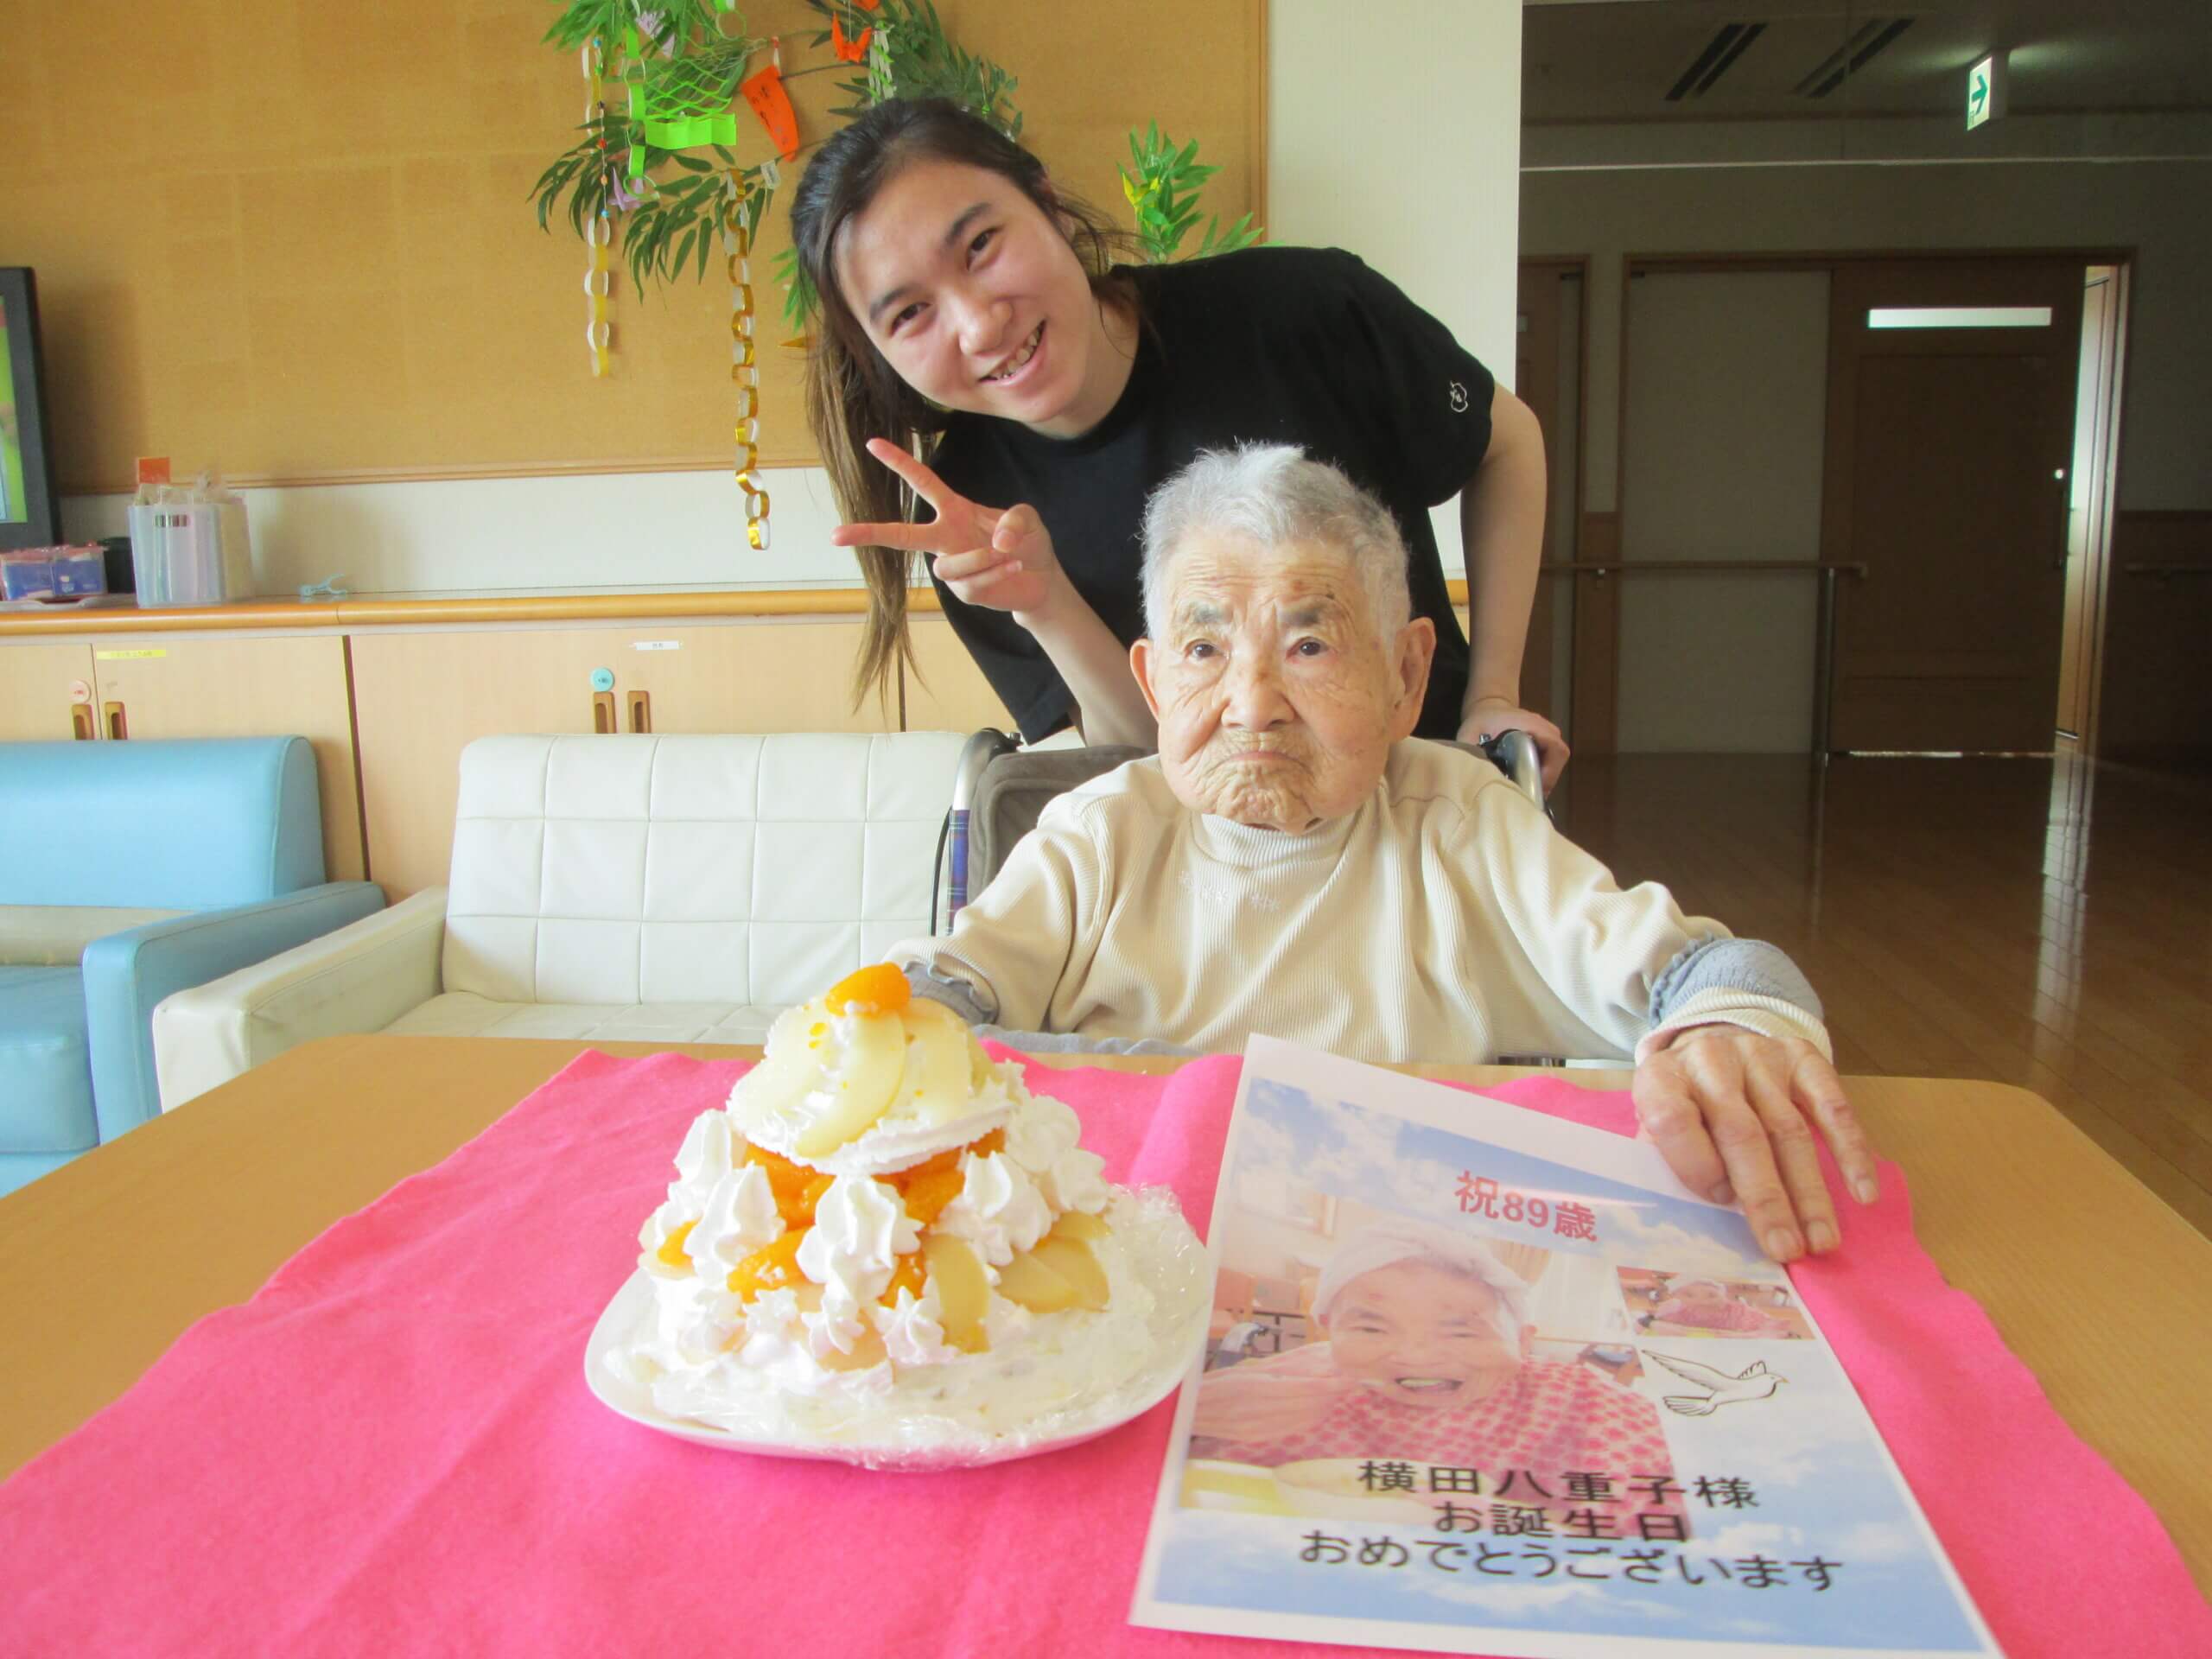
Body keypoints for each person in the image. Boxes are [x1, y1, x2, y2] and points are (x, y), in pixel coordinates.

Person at [887, 443, 1879, 1260]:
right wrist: (900, 1031)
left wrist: (1725, 1034)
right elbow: (942, 988)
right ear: (1152, 685)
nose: (1250, 704)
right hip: (1131, 1264)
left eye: (1308, 647)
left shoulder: (1460, 821)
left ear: (1408, 676)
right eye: (1204, 651)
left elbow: (1712, 973)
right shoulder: (1102, 832)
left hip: (1416, 1268)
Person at [789, 98, 1567, 785]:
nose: (979, 323)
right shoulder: (968, 514)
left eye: (982, 246)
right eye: (909, 314)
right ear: (877, 353)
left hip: (1430, 824)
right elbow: (1142, 766)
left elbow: (1509, 444)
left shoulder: (1301, 310)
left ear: (1049, 207)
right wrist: (1044, 600)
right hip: (1214, 899)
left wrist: (1492, 699)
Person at [1192, 1221, 1680, 1532]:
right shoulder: (1295, 1384)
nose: (1416, 1356)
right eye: (1371, 1326)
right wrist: (1192, 1415)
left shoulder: (1579, 1398)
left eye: (1462, 1333)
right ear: (1327, 1332)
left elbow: (1684, 1516)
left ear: (1524, 1342)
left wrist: (1523, 1525)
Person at [1643, 1277, 1798, 1338]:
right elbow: (1656, 1320)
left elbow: (1753, 1318)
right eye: (1690, 1295)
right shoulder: (1675, 1308)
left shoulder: (1736, 1311)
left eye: (1710, 1295)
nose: (1702, 1301)